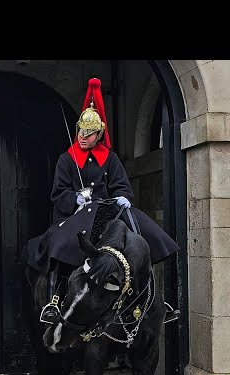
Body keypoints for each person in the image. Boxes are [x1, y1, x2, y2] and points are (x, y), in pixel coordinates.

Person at [26, 77, 179, 323]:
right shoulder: (67, 160)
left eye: (90, 133)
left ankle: (154, 300)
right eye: (81, 132)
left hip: (108, 214)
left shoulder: (110, 159)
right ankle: (54, 301)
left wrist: (122, 198)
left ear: (100, 134)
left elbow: (122, 186)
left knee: (144, 236)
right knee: (60, 245)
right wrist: (76, 197)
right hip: (76, 215)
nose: (83, 137)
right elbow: (58, 193)